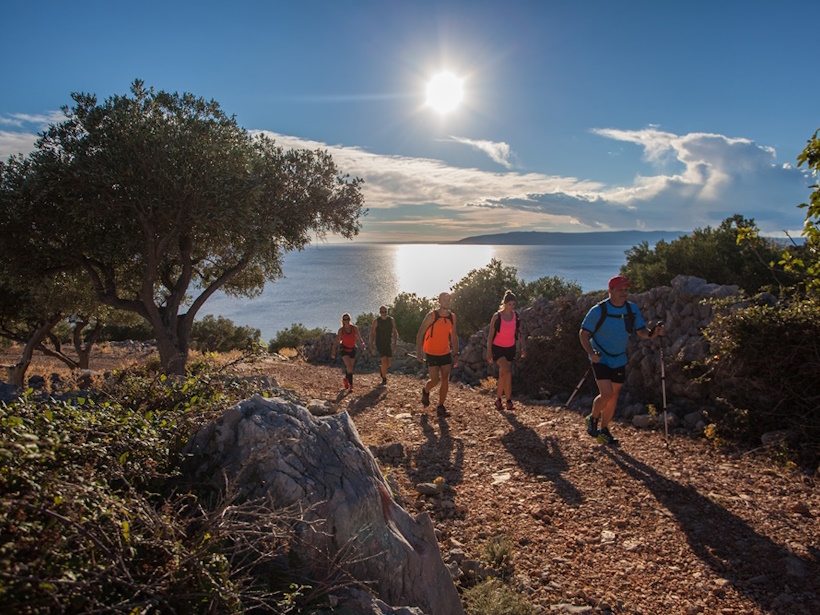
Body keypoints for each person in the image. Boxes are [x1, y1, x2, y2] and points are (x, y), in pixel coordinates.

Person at [578, 275, 665, 445]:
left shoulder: (632, 309)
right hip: (600, 357)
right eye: (620, 290)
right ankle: (593, 418)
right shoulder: (599, 310)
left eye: (626, 290)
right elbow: (583, 333)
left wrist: (654, 333)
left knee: (614, 396)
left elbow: (641, 331)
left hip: (619, 359)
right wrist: (591, 353)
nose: (624, 293)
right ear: (610, 291)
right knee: (607, 393)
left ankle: (604, 430)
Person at [416, 292, 459, 417]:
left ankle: (440, 406)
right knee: (435, 380)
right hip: (431, 353)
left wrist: (456, 353)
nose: (447, 302)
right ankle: (426, 390)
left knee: (445, 379)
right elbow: (420, 333)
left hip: (445, 352)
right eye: (444, 300)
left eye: (448, 300)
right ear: (439, 301)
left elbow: (454, 336)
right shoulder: (432, 316)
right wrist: (419, 352)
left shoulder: (452, 317)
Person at [487, 290, 526, 411]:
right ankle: (509, 401)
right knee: (508, 371)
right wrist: (489, 352)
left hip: (510, 348)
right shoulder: (497, 316)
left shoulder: (516, 317)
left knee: (503, 374)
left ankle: (498, 399)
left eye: (514, 304)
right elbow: (490, 335)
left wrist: (524, 348)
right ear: (505, 304)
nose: (512, 307)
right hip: (498, 348)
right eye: (510, 304)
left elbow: (520, 333)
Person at [330, 313, 366, 392]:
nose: (347, 321)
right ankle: (351, 385)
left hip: (353, 349)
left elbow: (359, 339)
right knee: (349, 366)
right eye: (345, 319)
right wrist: (333, 351)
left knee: (350, 368)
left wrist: (363, 347)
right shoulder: (341, 330)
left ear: (350, 319)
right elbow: (337, 341)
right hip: (344, 349)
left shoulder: (354, 328)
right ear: (343, 320)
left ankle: (346, 379)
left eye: (348, 319)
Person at [369, 305, 398, 385]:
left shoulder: (391, 320)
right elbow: (372, 334)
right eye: (382, 312)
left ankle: (382, 369)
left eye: (385, 312)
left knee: (389, 364)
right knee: (384, 362)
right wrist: (371, 345)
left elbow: (395, 331)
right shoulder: (376, 321)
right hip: (379, 344)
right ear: (380, 312)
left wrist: (395, 343)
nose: (384, 313)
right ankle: (384, 378)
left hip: (388, 343)